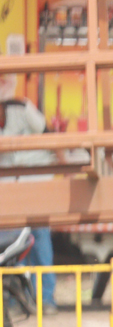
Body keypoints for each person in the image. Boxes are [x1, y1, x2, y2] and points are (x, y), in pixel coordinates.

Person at [1, 98, 59, 314]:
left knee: (40, 241)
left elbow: (50, 135)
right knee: (11, 247)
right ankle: (16, 300)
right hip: (8, 189)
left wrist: (64, 167)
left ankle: (45, 298)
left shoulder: (23, 109)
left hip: (36, 182)